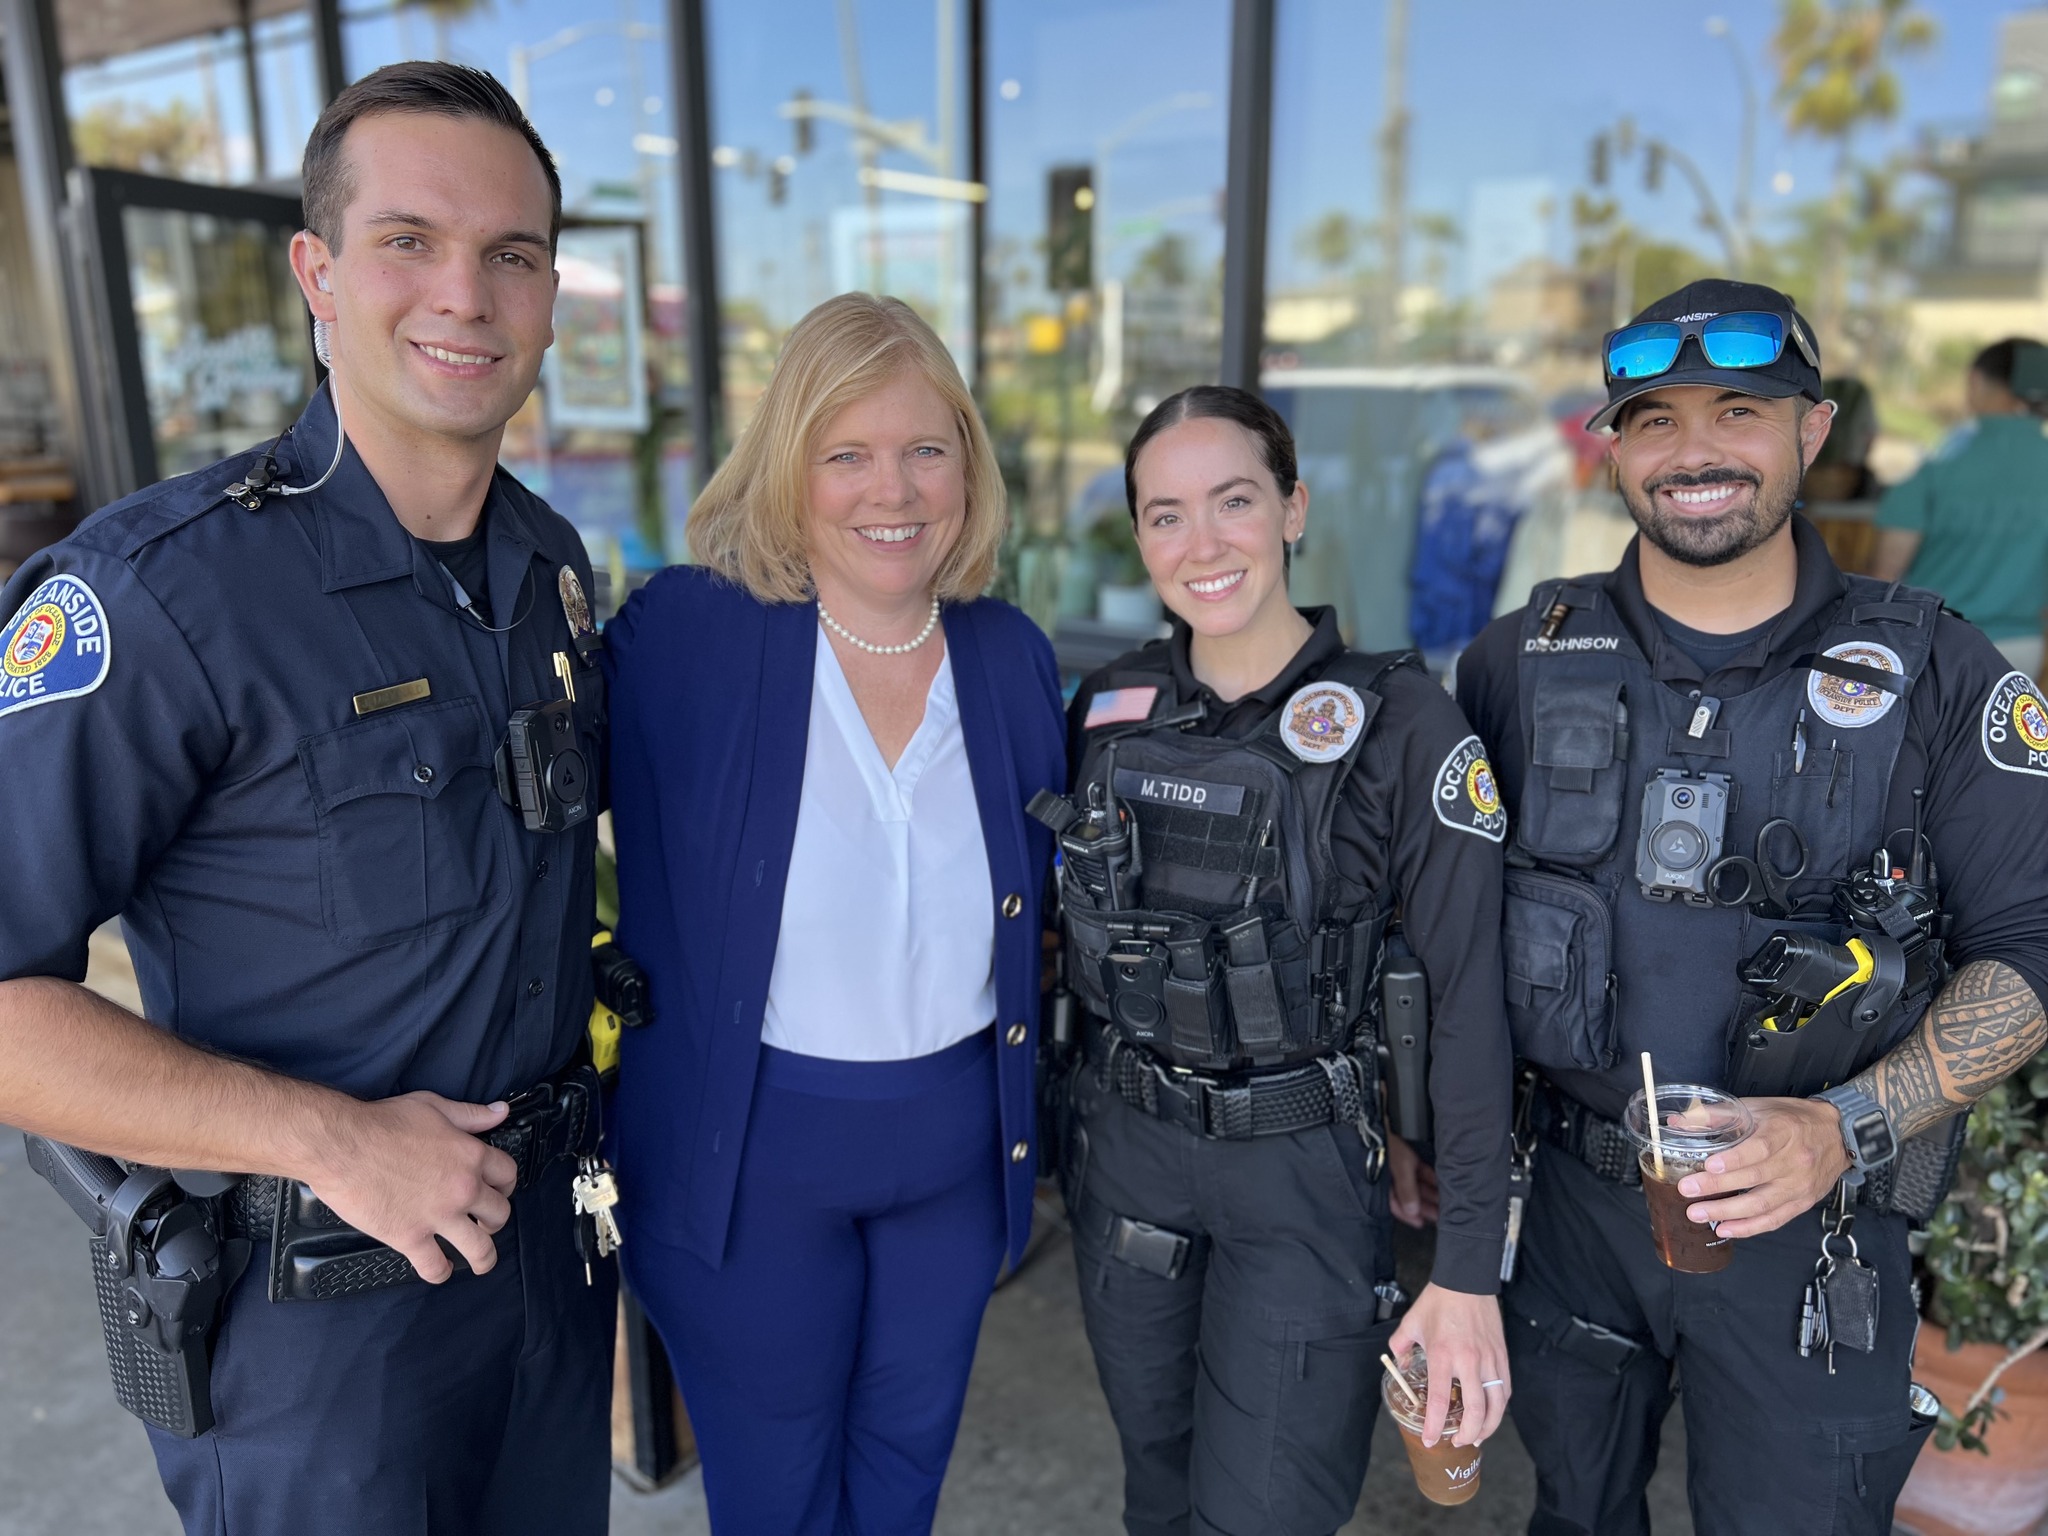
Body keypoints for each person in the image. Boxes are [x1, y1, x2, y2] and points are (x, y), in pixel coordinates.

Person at [0, 62, 615, 1535]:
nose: (466, 294)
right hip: (320, 1343)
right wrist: (333, 1142)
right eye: (411, 240)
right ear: (317, 274)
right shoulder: (158, 597)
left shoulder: (550, 568)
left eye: (511, 255)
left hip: (544, 1277)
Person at [1455, 279, 2048, 1536]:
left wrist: (1843, 1127)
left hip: (1814, 1230)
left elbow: (2031, 953)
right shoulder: (1517, 659)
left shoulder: (1936, 668)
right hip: (1575, 1209)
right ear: (1612, 447)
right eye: (1653, 420)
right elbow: (1447, 937)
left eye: (1739, 409)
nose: (1694, 451)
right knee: (1574, 1515)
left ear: (1810, 434)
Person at [601, 293, 1065, 1535]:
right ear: (786, 470)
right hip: (752, 1167)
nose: (891, 490)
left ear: (966, 462)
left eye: (925, 448)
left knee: (902, 1480)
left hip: (954, 1160)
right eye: (844, 454)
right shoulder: (683, 639)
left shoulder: (1008, 655)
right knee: (776, 1497)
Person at [1055, 384, 1515, 1536]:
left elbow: (1465, 1001)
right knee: (1156, 1486)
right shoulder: (1108, 708)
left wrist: (1464, 1267)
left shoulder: (1406, 724)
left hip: (1299, 1178)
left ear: (1293, 508)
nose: (1200, 544)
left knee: (1264, 1510)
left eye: (1233, 501)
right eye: (1164, 515)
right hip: (1127, 1161)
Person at [1872, 337, 2048, 677]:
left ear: (1976, 381)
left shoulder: (1936, 460)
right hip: (2022, 646)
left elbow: (1886, 573)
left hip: (1934, 642)